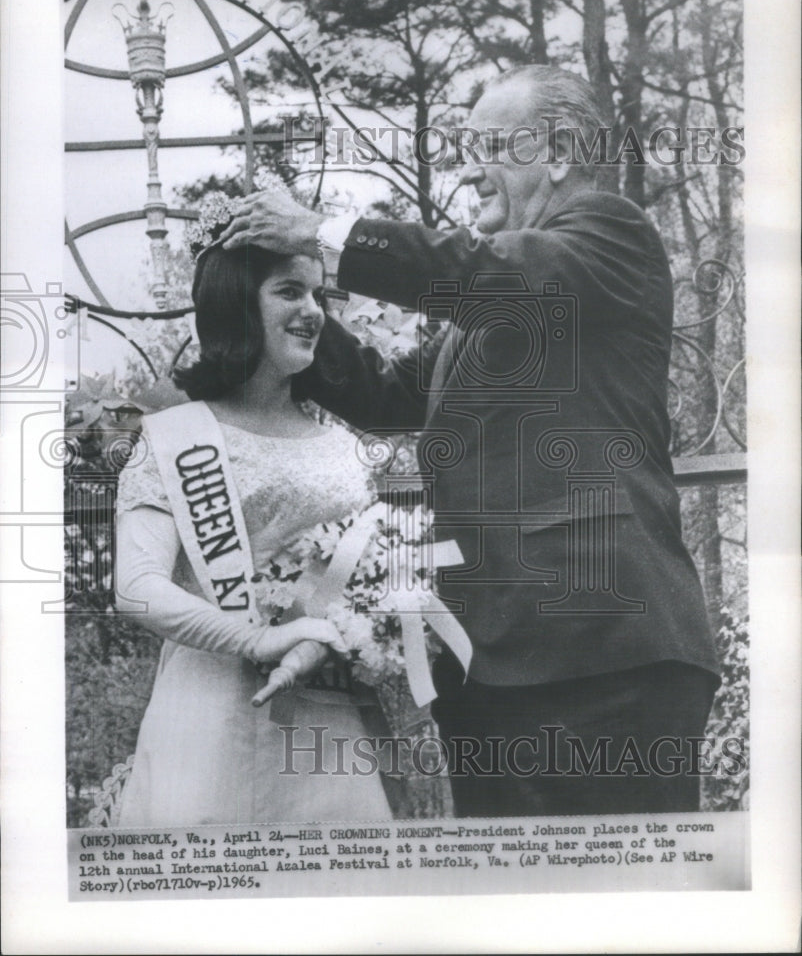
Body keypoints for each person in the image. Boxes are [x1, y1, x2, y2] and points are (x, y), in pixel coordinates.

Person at [221, 64, 722, 817]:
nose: (465, 169)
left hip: (604, 656)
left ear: (558, 152)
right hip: (491, 668)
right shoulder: (480, 308)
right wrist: (286, 300)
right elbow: (383, 393)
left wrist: (318, 231)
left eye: (487, 144)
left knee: (623, 908)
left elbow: (482, 272)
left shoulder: (609, 236)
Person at [114, 238, 393, 827]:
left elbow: (373, 579)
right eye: (289, 291)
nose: (314, 309)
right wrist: (252, 640)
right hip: (208, 722)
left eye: (318, 293)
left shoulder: (347, 447)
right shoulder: (175, 437)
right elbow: (137, 587)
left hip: (329, 731)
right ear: (235, 305)